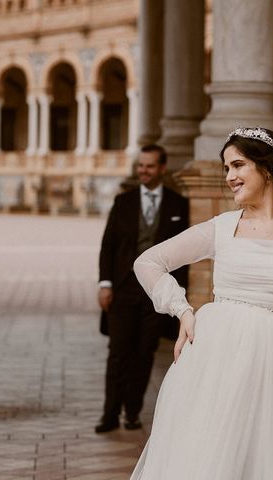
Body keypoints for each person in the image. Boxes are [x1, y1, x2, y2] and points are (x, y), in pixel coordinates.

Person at [130, 127, 273, 478]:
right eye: (226, 168)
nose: (229, 177)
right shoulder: (222, 228)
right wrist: (183, 311)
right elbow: (148, 262)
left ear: (266, 168)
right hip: (214, 361)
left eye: (238, 166)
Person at [95, 144, 189, 433]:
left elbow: (184, 254)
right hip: (123, 290)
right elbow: (108, 245)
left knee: (144, 352)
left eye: (149, 166)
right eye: (140, 166)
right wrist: (105, 283)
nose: (143, 171)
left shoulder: (178, 204)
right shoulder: (123, 202)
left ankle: (132, 412)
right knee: (118, 352)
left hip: (156, 292)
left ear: (161, 168)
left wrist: (177, 293)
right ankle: (109, 414)